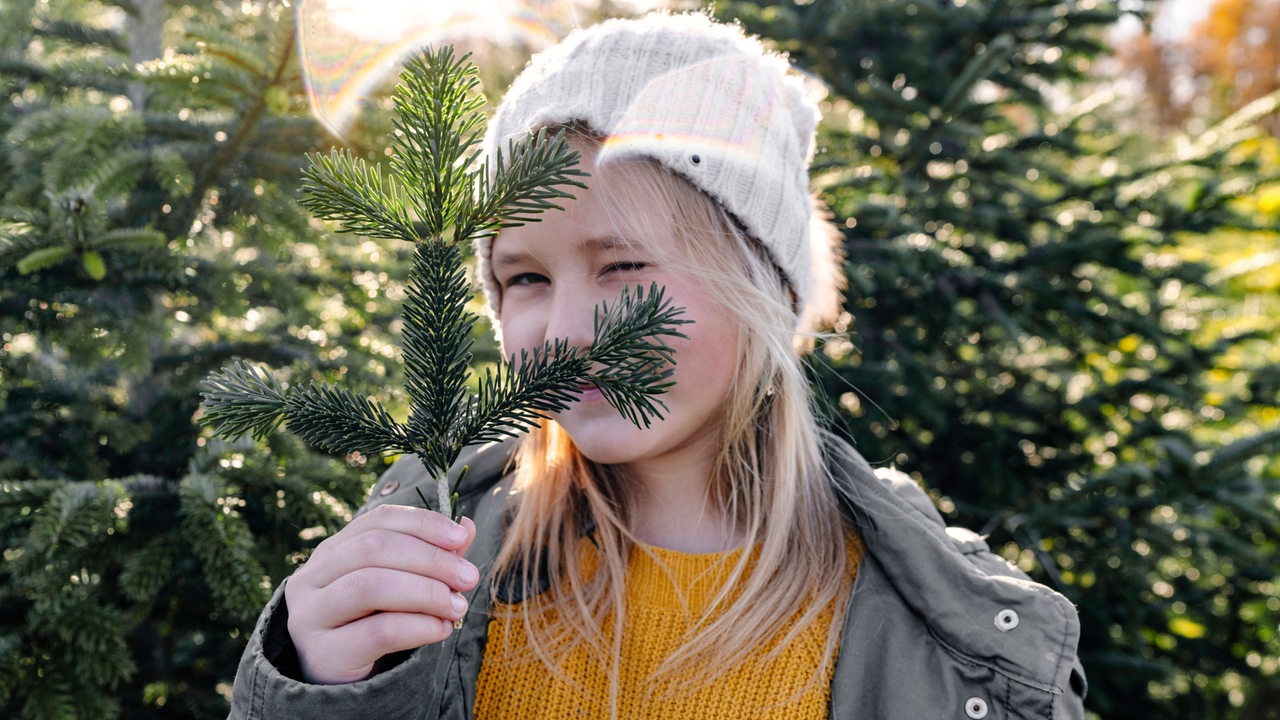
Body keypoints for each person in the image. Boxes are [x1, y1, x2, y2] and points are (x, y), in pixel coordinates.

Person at [228, 11, 1086, 720]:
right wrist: (319, 687)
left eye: (625, 267)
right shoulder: (437, 562)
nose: (565, 329)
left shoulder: (948, 636)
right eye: (524, 277)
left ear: (760, 284)